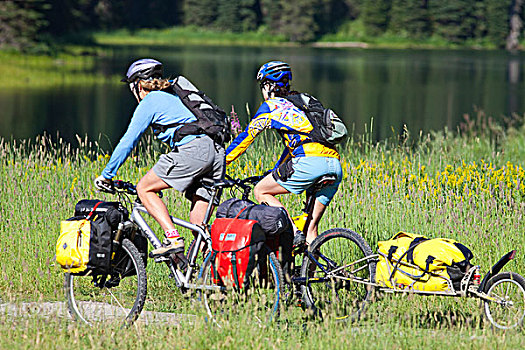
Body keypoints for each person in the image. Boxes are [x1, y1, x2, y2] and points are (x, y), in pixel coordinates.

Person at [95, 58, 225, 257]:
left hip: (194, 150)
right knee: (199, 226)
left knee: (144, 188)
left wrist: (106, 175)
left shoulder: (151, 101)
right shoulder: (173, 96)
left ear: (138, 85)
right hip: (216, 152)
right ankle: (209, 278)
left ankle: (173, 237)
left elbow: (127, 142)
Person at [226, 61, 343, 246]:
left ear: (267, 86)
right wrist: (275, 171)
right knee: (311, 229)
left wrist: (221, 162)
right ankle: (312, 274)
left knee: (261, 191)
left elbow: (245, 138)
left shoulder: (272, 106)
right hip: (334, 164)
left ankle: (293, 231)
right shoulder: (306, 100)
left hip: (309, 162)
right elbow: (296, 147)